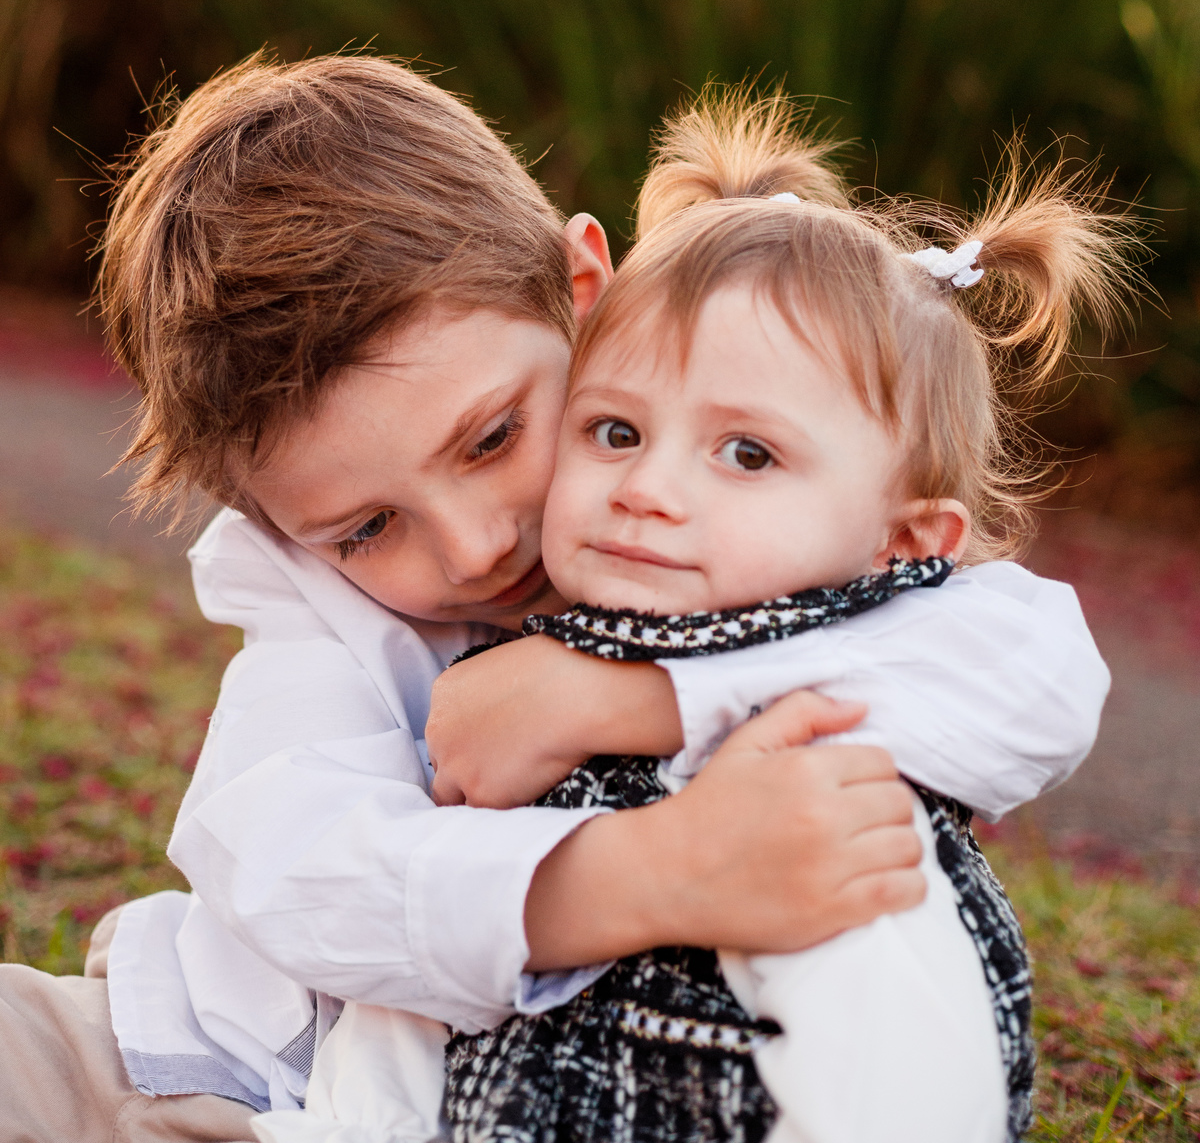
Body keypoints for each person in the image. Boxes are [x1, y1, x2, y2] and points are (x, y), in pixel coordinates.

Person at [0, 56, 1108, 1143]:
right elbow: (297, 868)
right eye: (368, 529)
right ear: (281, 526)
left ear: (584, 295)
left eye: (492, 437)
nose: (477, 548)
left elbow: (1029, 666)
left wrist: (617, 702)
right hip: (201, 1058)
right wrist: (646, 874)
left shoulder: (747, 533)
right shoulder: (312, 608)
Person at [426, 90, 1136, 1143]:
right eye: (614, 429)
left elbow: (904, 1073)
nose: (648, 487)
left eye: (747, 454)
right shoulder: (532, 625)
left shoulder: (819, 758)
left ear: (905, 543)